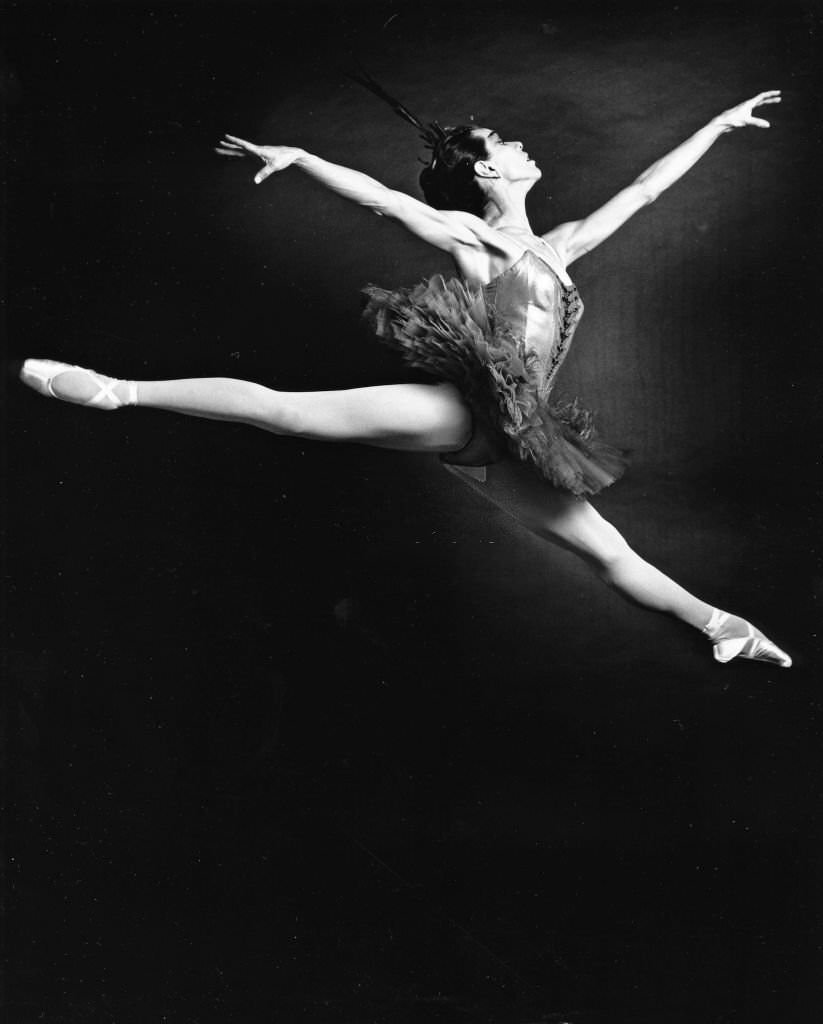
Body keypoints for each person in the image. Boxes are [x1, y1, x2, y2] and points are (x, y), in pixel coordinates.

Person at [19, 85, 791, 667]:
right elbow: (389, 203)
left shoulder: (559, 244)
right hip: (468, 413)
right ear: (488, 169)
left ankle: (724, 628)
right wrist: (305, 160)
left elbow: (646, 192)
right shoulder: (475, 239)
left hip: (517, 438)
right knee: (285, 412)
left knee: (609, 552)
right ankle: (118, 390)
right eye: (506, 143)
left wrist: (716, 128)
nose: (521, 147)